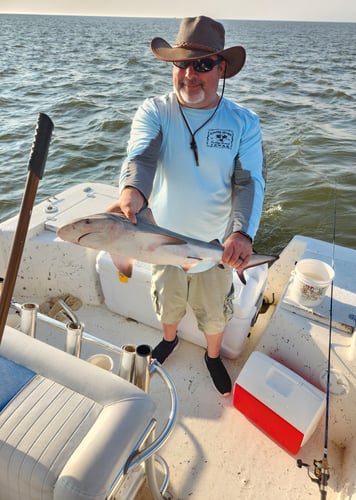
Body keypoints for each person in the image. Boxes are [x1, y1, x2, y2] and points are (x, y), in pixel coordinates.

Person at [107, 16, 266, 396]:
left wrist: (241, 232)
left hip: (215, 245)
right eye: (182, 63)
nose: (190, 74)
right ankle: (170, 339)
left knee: (215, 313)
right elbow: (142, 156)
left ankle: (213, 356)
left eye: (203, 64)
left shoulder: (244, 122)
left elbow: (248, 181)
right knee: (167, 303)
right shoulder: (155, 111)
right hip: (162, 241)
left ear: (221, 67)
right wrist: (132, 192)